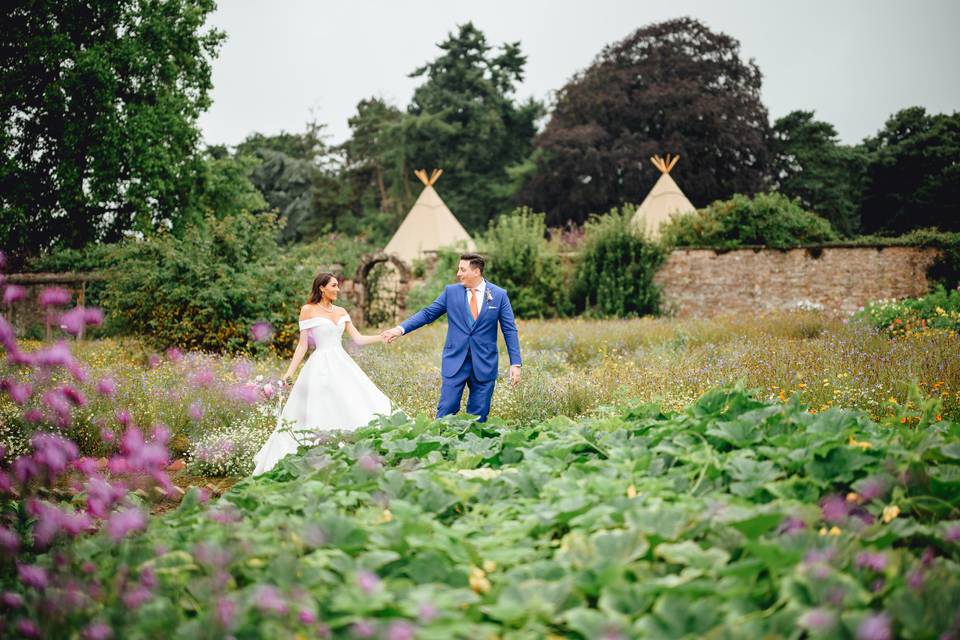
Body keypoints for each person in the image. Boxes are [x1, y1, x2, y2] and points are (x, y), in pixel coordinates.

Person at [252, 272, 392, 475]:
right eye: (334, 285)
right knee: (318, 407)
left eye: (338, 285)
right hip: (319, 366)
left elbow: (358, 339)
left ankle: (351, 454)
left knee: (351, 402)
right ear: (322, 288)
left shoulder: (342, 311)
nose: (338, 289)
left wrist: (382, 336)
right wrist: (288, 374)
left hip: (342, 364)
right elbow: (302, 346)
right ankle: (312, 457)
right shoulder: (308, 310)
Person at [381, 253, 521, 422]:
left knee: (479, 415)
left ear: (476, 272)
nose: (458, 273)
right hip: (455, 361)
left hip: (485, 363)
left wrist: (515, 363)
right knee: (445, 411)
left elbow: (509, 330)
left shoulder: (499, 295)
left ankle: (472, 447)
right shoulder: (451, 292)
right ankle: (441, 444)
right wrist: (400, 329)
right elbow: (427, 314)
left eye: (462, 269)